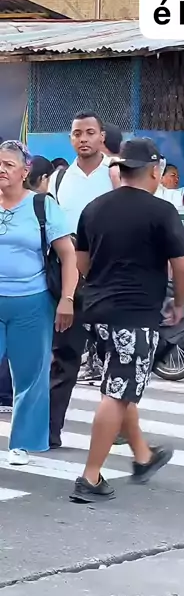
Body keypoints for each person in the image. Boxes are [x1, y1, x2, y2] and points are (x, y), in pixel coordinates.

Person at [70, 138, 184, 503]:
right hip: (135, 314)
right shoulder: (161, 211)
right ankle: (90, 477)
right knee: (117, 392)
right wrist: (180, 304)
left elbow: (81, 262)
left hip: (97, 312)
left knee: (120, 383)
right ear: (154, 171)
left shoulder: (94, 208)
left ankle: (142, 456)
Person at [0, 140, 77, 465]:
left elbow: (68, 256)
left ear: (25, 171)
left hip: (32, 302)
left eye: (8, 164)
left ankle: (21, 443)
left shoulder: (42, 206)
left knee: (30, 375)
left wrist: (67, 299)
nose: (2, 170)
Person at [48, 112, 121, 449]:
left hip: (108, 276)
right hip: (70, 279)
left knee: (114, 356)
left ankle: (118, 427)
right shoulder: (59, 179)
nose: (83, 139)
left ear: (101, 136)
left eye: (90, 132)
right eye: (77, 133)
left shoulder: (115, 172)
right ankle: (50, 430)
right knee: (64, 357)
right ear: (71, 139)